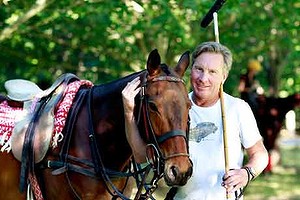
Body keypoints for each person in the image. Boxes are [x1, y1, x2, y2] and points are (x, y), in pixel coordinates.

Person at [122, 41, 268, 200]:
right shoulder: (174, 107)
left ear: (223, 77)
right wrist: (129, 112)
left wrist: (246, 173)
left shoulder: (237, 108)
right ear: (190, 71)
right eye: (199, 69)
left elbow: (260, 154)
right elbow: (141, 157)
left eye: (212, 71)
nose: (203, 78)